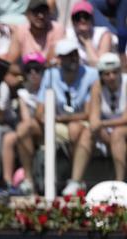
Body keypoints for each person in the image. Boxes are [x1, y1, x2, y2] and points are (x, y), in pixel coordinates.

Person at [34, 39, 98, 196]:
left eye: (74, 54)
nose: (73, 58)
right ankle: (31, 183)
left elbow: (88, 113)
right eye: (68, 56)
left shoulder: (91, 74)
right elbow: (40, 112)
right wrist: (47, 119)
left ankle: (74, 181)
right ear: (60, 59)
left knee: (78, 129)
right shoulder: (50, 75)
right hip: (56, 124)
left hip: (78, 123)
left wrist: (58, 119)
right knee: (26, 128)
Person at [0, 52, 46, 195]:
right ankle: (8, 183)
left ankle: (29, 179)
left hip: (45, 128)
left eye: (37, 69)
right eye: (28, 70)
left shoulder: (48, 87)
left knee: (23, 127)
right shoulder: (23, 93)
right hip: (28, 128)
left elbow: (42, 118)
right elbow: (26, 118)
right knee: (9, 138)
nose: (33, 74)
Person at [83, 53, 127, 185]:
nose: (111, 77)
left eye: (115, 72)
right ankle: (76, 180)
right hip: (108, 131)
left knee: (118, 134)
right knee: (87, 132)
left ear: (120, 71)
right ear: (101, 75)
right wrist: (98, 125)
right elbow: (94, 118)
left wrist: (101, 123)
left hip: (121, 128)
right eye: (107, 74)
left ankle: (120, 181)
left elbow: (125, 119)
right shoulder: (97, 86)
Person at [65, 1, 113, 67]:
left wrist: (87, 42)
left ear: (92, 19)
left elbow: (99, 66)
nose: (82, 20)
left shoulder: (103, 34)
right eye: (77, 17)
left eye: (86, 16)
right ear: (73, 21)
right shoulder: (67, 34)